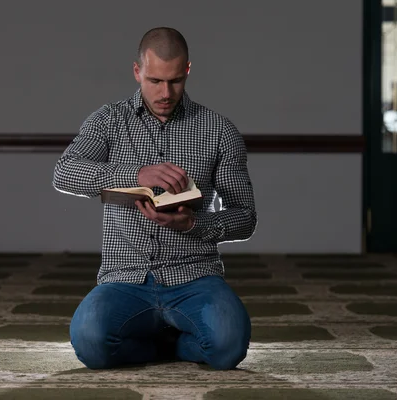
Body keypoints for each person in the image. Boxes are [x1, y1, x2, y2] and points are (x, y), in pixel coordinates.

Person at [52, 27, 257, 370]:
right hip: (124, 277)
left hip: (195, 275)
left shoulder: (219, 130)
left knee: (228, 347)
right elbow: (64, 172)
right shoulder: (109, 120)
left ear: (188, 70)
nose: (165, 92)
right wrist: (135, 174)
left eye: (175, 81)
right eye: (154, 81)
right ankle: (164, 344)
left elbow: (245, 217)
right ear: (137, 72)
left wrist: (194, 223)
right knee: (91, 344)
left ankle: (172, 343)